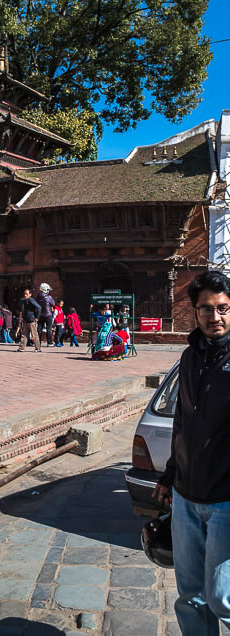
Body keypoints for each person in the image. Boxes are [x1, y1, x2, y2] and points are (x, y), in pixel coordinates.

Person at [152, 271, 230, 634]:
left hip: (225, 501)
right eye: (207, 310)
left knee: (221, 598)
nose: (215, 317)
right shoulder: (188, 358)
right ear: (195, 313)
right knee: (190, 596)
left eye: (223, 308)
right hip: (185, 496)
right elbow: (181, 422)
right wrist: (169, 476)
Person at [18, 288, 42, 352]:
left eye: (27, 294)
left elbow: (39, 307)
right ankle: (21, 348)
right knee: (24, 335)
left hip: (31, 320)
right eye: (24, 294)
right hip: (26, 320)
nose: (25, 295)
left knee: (34, 335)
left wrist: (37, 317)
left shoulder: (31, 300)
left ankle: (38, 348)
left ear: (30, 294)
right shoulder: (23, 301)